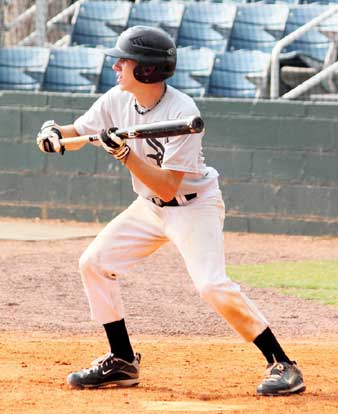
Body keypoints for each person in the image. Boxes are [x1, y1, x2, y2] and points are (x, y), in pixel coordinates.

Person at [36, 25, 305, 396]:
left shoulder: (183, 112)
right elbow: (80, 132)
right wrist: (53, 134)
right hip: (148, 208)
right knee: (94, 263)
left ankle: (282, 363)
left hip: (194, 207)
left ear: (146, 69)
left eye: (123, 61)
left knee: (211, 285)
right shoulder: (117, 98)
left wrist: (124, 154)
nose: (116, 66)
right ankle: (122, 360)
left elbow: (168, 185)